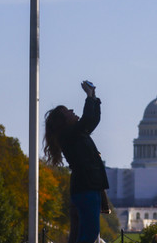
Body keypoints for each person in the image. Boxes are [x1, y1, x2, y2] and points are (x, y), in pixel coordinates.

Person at [44, 80, 109, 243]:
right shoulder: (69, 135)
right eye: (67, 111)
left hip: (87, 188)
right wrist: (88, 96)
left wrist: (94, 97)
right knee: (89, 235)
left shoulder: (75, 134)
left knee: (84, 234)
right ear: (63, 121)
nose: (72, 110)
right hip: (86, 188)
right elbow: (87, 119)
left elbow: (92, 120)